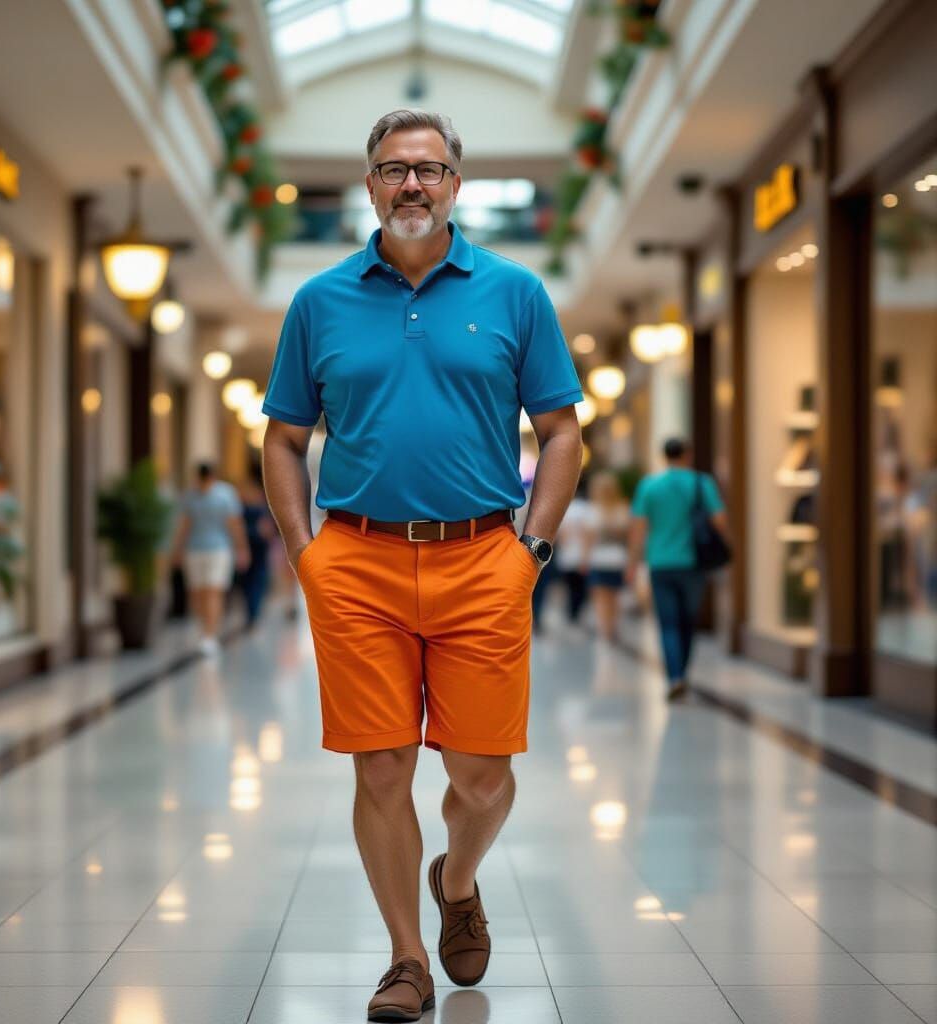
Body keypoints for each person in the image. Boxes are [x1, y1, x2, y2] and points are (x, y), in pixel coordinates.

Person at [261, 109, 582, 1022]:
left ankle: (458, 875)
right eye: (394, 169)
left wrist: (532, 552)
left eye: (430, 170)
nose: (412, 184)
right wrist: (305, 554)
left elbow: (562, 436)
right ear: (367, 185)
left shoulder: (515, 293)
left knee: (482, 777)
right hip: (355, 562)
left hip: (484, 558)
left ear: (454, 185)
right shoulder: (318, 302)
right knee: (381, 768)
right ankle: (406, 959)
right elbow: (283, 441)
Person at [626, 438, 728, 701]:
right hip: (693, 564)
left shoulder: (649, 486)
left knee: (668, 623)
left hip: (660, 563)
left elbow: (638, 530)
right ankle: (682, 673)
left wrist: (633, 564)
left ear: (664, 456)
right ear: (688, 455)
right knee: (687, 622)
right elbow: (719, 521)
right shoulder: (701, 483)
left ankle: (675, 677)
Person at [170, 462, 250, 656]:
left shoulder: (225, 495)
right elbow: (185, 525)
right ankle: (205, 631)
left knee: (213, 591)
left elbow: (234, 524)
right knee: (197, 593)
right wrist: (178, 550)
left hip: (219, 550)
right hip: (195, 549)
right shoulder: (191, 496)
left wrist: (241, 547)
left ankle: (210, 635)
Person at [587, 471, 630, 640]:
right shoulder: (622, 509)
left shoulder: (593, 510)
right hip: (618, 559)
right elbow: (628, 536)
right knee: (615, 597)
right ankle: (613, 628)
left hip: (599, 559)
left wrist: (584, 559)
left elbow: (588, 540)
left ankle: (605, 630)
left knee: (601, 598)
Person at [554, 481, 596, 629]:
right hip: (581, 556)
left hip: (567, 555)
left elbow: (560, 535)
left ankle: (571, 613)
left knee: (570, 587)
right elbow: (589, 535)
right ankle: (575, 613)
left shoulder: (566, 509)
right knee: (580, 588)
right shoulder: (587, 509)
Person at [237, 462, 275, 629]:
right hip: (254, 541)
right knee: (254, 577)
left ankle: (253, 611)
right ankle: (253, 611)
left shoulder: (249, 501)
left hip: (253, 542)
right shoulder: (258, 500)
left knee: (254, 577)